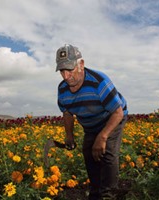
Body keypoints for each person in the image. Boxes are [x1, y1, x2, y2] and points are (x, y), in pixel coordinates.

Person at [55, 44, 128, 200]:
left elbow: (118, 112)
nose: (66, 76)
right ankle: (95, 193)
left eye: (70, 69)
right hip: (91, 125)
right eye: (62, 71)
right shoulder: (63, 90)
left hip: (112, 117)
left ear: (81, 65)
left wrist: (102, 137)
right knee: (89, 153)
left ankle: (109, 194)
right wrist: (69, 136)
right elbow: (67, 113)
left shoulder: (99, 82)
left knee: (107, 153)